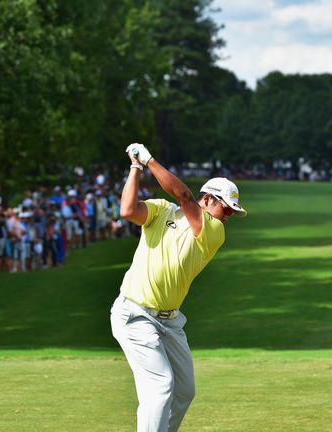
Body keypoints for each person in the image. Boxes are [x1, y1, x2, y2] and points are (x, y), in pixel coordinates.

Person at [110, 143, 246, 432]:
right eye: (226, 208)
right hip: (134, 314)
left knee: (184, 391)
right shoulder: (162, 210)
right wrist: (135, 168)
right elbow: (127, 210)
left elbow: (183, 194)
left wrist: (149, 160)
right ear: (208, 199)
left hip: (169, 322)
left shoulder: (213, 231)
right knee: (160, 386)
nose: (228, 216)